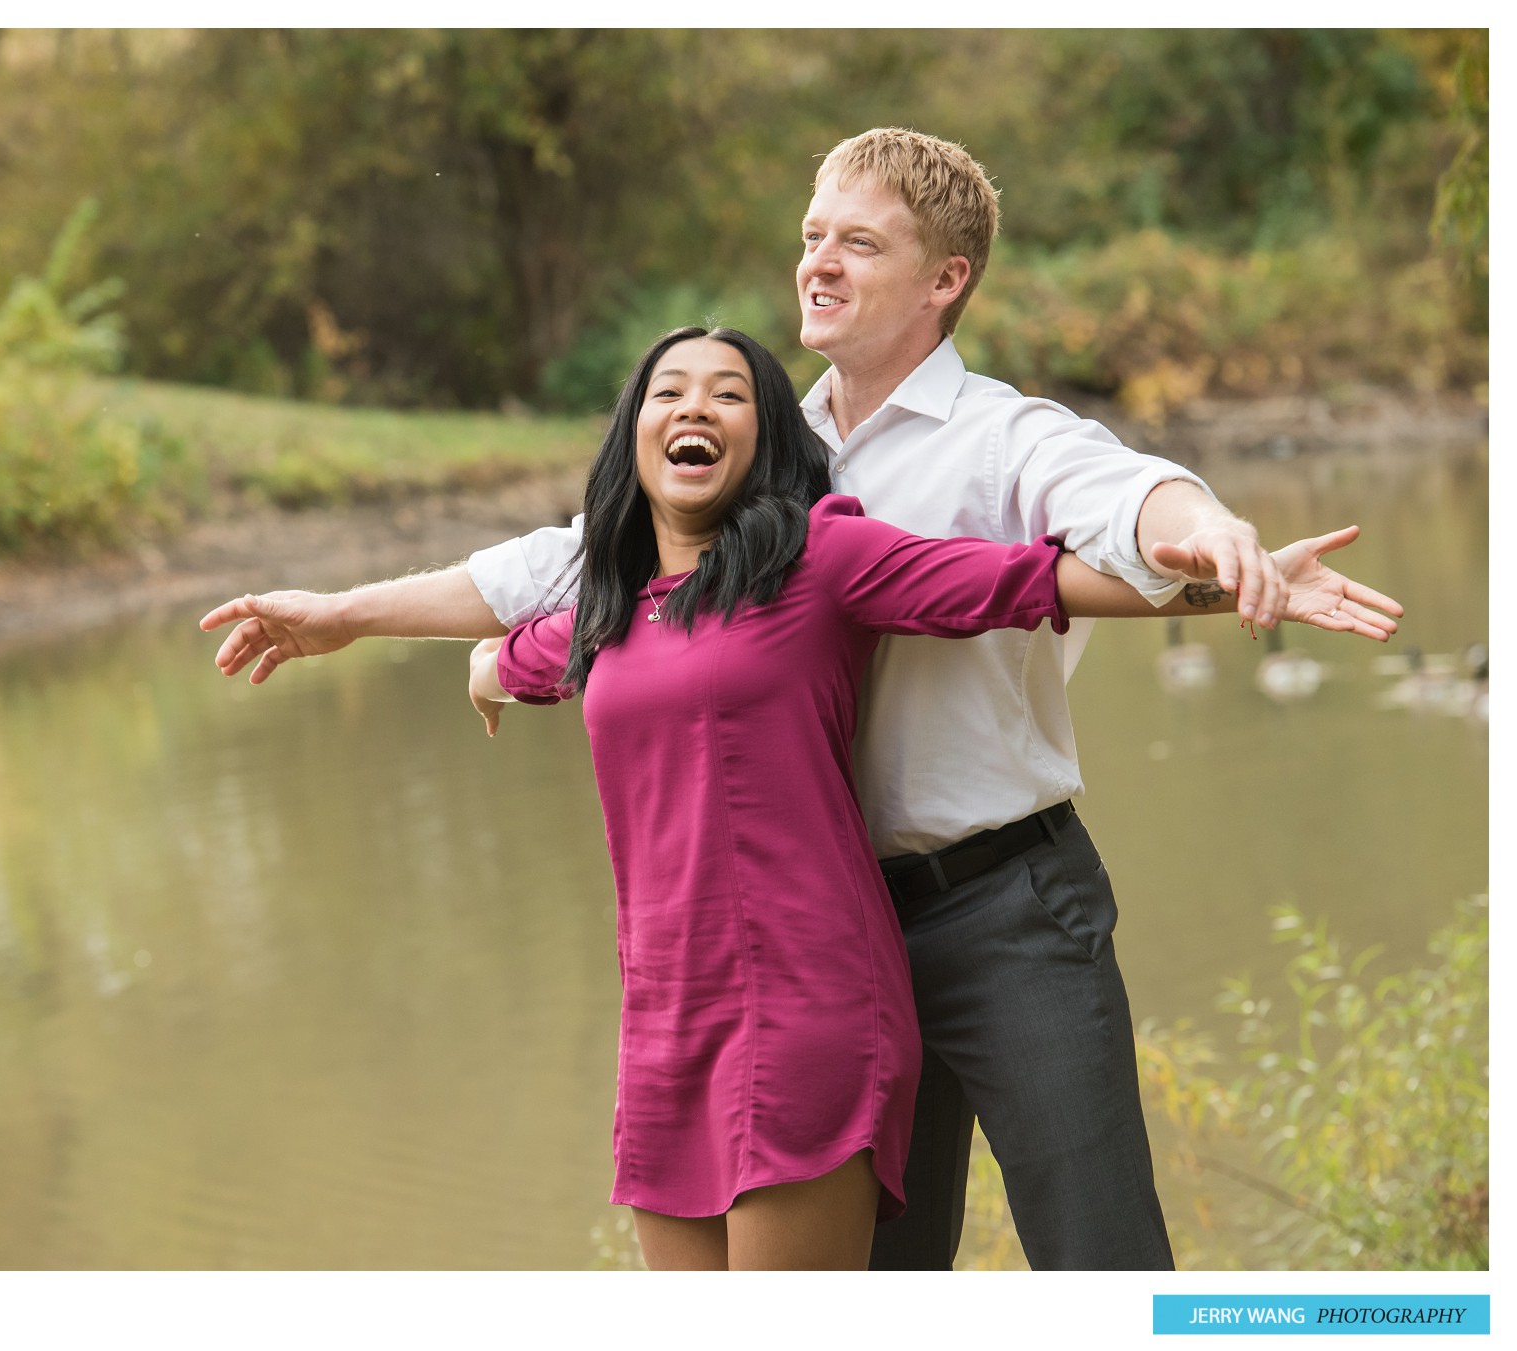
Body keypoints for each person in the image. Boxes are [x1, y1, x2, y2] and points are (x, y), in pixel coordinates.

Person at [199, 129, 1403, 1269]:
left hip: (1005, 907)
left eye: (858, 243)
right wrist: (350, 616)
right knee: (881, 1280)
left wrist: (1221, 541)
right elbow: (576, 567)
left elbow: (1128, 504)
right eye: (811, 235)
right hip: (821, 940)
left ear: (946, 277)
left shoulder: (1001, 438)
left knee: (1100, 1261)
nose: (817, 262)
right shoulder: (774, 446)